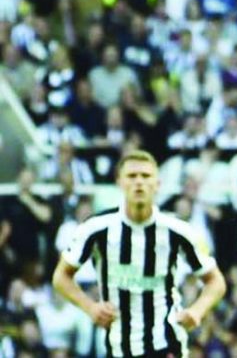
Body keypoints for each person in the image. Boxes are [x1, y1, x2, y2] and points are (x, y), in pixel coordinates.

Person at [52, 150, 227, 357]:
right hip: (119, 346)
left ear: (157, 184)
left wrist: (197, 311)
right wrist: (90, 307)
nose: (139, 182)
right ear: (119, 182)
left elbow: (216, 281)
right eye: (132, 176)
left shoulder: (178, 230)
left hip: (166, 342)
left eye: (146, 176)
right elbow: (60, 277)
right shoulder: (96, 229)